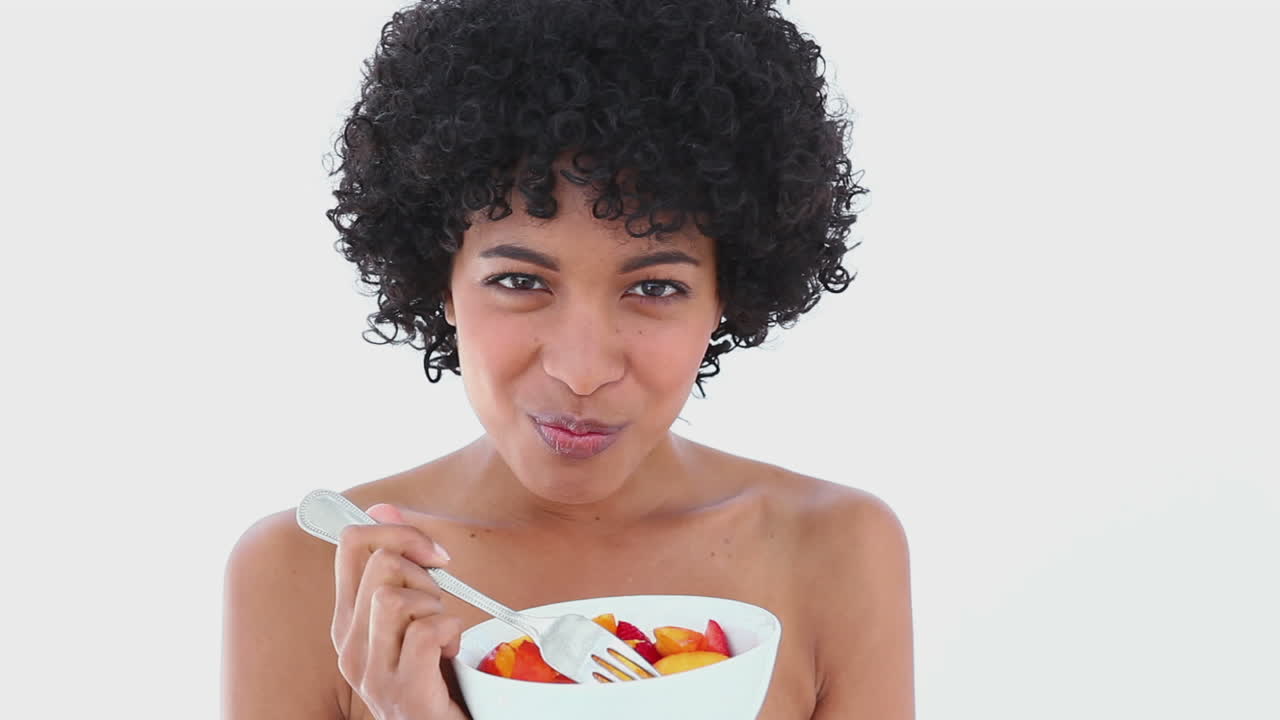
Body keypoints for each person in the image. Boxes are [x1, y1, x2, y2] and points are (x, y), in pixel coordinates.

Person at [221, 0, 913, 718]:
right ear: (440, 280)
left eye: (654, 287)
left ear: (725, 296)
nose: (582, 371)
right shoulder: (311, 577)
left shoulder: (836, 554)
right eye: (520, 282)